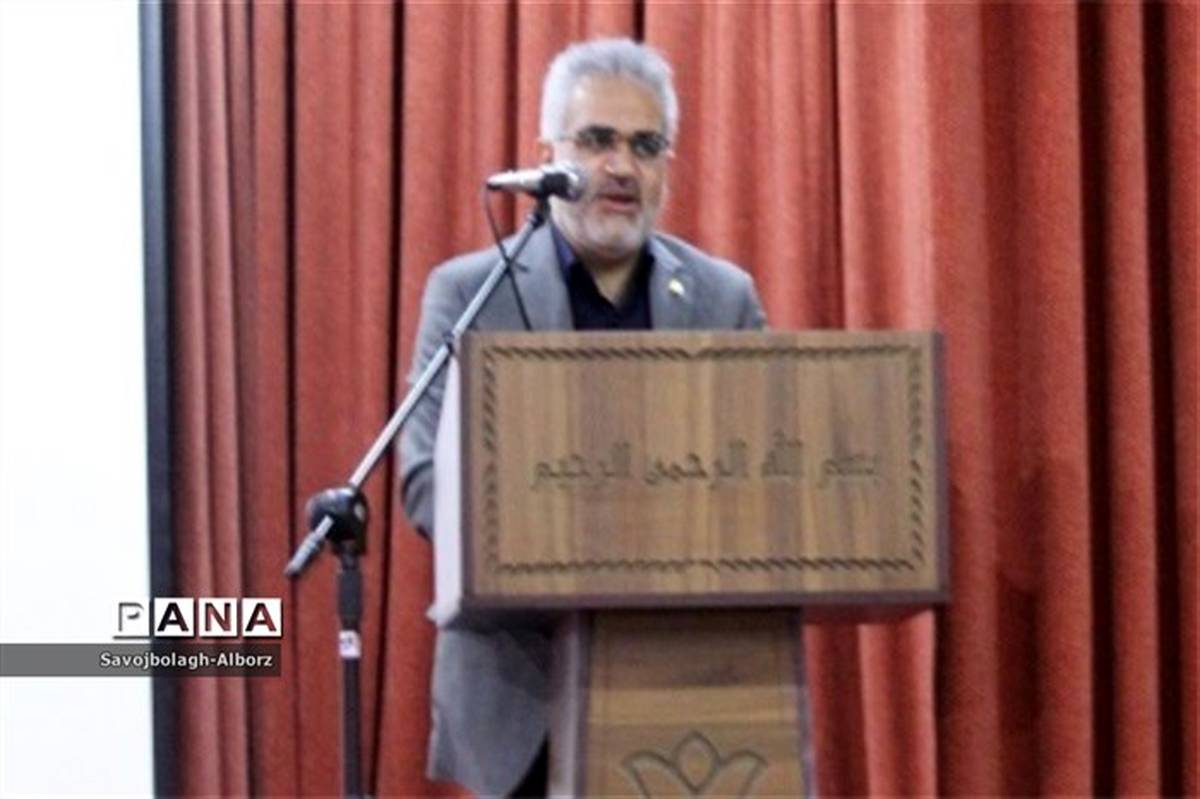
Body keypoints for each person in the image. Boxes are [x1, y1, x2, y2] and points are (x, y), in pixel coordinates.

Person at [399, 37, 766, 797]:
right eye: (597, 140)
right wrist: (568, 541)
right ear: (548, 157)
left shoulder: (723, 298)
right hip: (519, 695)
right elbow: (425, 477)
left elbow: (764, 479)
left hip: (686, 690)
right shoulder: (470, 292)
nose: (621, 166)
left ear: (667, 165)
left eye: (645, 145)